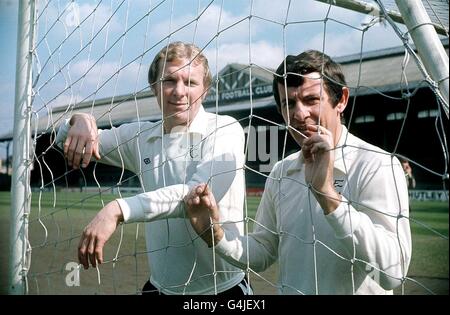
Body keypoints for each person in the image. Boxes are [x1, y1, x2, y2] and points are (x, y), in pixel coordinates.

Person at [184, 50, 412, 294]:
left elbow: (392, 274)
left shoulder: (376, 164)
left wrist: (328, 196)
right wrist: (216, 234)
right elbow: (263, 251)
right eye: (289, 103)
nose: (299, 114)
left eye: (312, 100)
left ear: (342, 100)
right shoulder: (282, 171)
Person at [56, 42, 251, 295]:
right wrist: (80, 119)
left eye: (190, 83)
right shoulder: (140, 137)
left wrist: (118, 209)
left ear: (205, 90)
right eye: (169, 81)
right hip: (159, 288)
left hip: (221, 290)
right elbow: (64, 140)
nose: (178, 92)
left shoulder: (225, 129)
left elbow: (197, 197)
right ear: (154, 87)